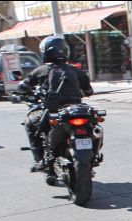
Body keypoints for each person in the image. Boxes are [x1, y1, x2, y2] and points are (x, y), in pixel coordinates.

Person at [19, 35, 93, 173]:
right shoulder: (76, 71)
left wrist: (22, 91)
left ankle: (39, 160)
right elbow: (89, 91)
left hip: (53, 110)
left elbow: (23, 87)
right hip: (75, 109)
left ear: (46, 52)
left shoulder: (41, 70)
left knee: (29, 123)